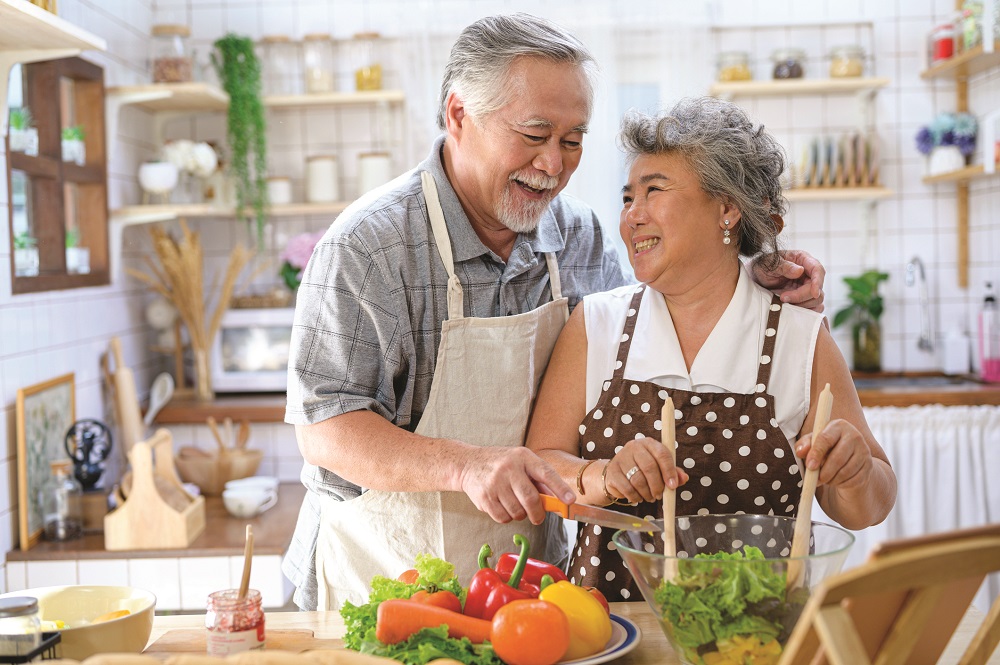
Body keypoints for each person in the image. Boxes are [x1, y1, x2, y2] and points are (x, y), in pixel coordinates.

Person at [283, 14, 828, 611]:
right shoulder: (368, 247)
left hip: (524, 587)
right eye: (534, 134)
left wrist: (750, 273)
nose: (553, 165)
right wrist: (468, 468)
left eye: (572, 141)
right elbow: (326, 430)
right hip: (385, 580)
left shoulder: (578, 239)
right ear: (459, 117)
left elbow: (653, 324)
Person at [525, 97, 897, 602]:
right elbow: (543, 462)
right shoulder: (595, 324)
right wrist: (604, 476)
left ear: (727, 209)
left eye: (654, 191)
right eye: (628, 197)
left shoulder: (799, 339)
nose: (632, 215)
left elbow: (869, 505)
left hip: (755, 637)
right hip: (609, 630)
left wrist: (853, 473)